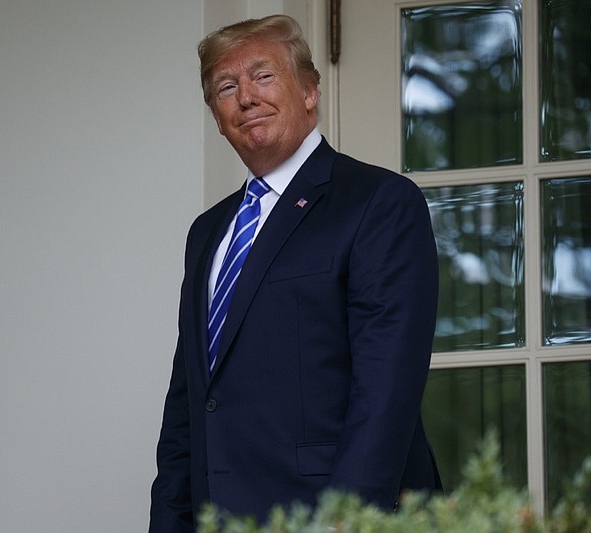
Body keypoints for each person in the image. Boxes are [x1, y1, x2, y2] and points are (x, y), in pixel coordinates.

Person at [149, 14, 440, 532]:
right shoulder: (207, 232)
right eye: (226, 86)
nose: (245, 97)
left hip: (326, 518)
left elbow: (386, 392)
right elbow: (188, 407)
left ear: (309, 91)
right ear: (215, 115)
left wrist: (344, 524)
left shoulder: (379, 203)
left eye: (263, 76)